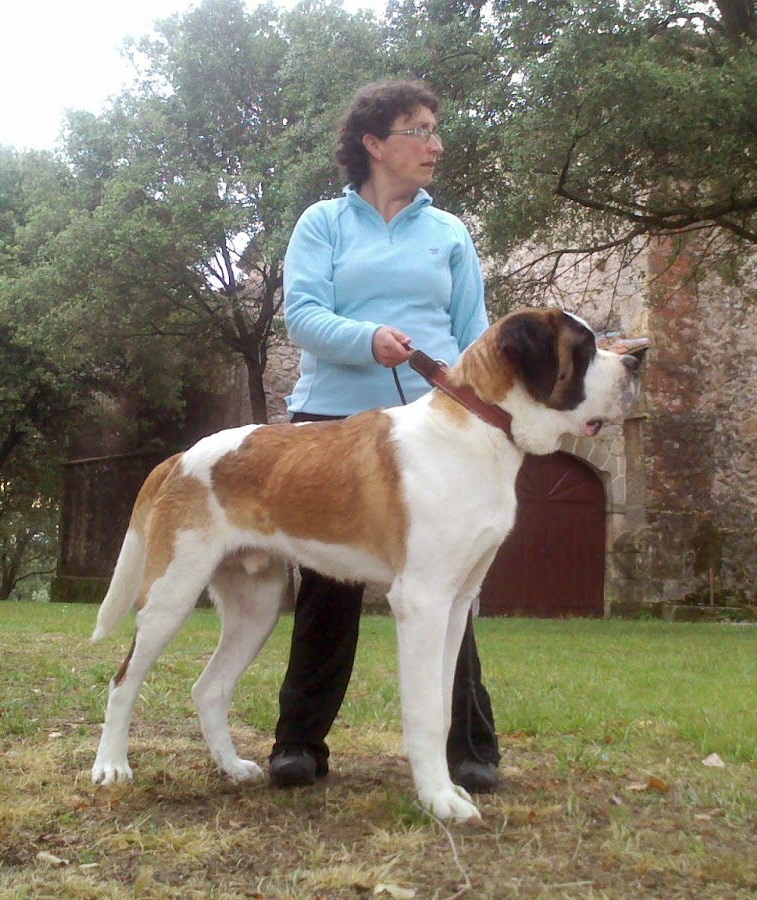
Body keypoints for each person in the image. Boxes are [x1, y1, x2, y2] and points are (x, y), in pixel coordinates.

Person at [268, 79, 500, 793]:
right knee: (327, 591)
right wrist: (368, 339)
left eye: (436, 128)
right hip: (333, 423)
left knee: (449, 582)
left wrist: (487, 416)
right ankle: (298, 744)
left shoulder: (450, 232)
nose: (435, 144)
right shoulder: (322, 225)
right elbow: (301, 317)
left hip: (436, 431)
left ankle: (470, 751)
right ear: (374, 143)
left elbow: (475, 338)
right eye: (418, 130)